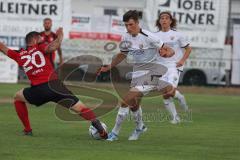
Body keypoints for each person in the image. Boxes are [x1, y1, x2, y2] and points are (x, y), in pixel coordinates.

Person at [0, 28, 107, 139]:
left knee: (18, 97)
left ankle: (27, 130)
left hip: (39, 90)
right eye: (40, 38)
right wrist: (60, 35)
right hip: (56, 86)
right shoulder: (40, 47)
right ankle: (98, 126)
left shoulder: (19, 55)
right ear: (35, 39)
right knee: (80, 108)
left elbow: (3, 48)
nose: (42, 39)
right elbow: (54, 46)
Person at [98, 10, 174, 141]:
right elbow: (123, 54)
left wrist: (166, 53)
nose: (128, 27)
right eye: (126, 25)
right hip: (138, 73)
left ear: (137, 23)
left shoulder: (149, 36)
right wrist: (110, 66)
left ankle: (114, 133)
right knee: (134, 105)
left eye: (131, 24)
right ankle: (140, 127)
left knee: (124, 101)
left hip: (152, 73)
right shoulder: (126, 37)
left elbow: (170, 50)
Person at [155, 11, 192, 124]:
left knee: (170, 91)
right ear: (159, 21)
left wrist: (182, 60)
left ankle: (180, 98)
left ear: (170, 21)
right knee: (165, 94)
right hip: (160, 68)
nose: (164, 20)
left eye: (167, 18)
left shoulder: (177, 35)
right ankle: (175, 118)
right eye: (162, 18)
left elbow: (188, 49)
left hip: (173, 66)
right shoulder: (155, 35)